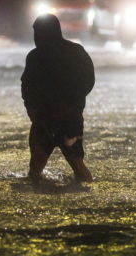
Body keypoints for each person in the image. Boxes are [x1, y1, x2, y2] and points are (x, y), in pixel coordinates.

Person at [21, 14, 95, 182]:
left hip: (54, 119)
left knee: (38, 170)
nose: (36, 37)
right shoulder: (75, 52)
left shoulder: (37, 56)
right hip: (60, 118)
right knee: (74, 164)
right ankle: (83, 192)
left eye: (38, 33)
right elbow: (88, 81)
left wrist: (33, 111)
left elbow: (27, 87)